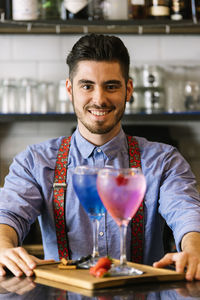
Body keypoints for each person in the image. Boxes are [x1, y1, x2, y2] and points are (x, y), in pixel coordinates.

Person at [0, 33, 200, 281]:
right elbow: (8, 214)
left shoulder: (164, 160)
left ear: (128, 90)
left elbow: (187, 212)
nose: (99, 99)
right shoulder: (34, 162)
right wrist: (3, 246)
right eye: (87, 86)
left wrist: (195, 250)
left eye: (111, 86)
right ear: (69, 89)